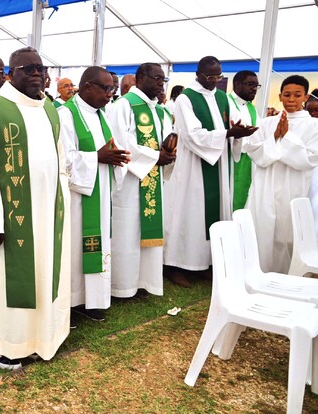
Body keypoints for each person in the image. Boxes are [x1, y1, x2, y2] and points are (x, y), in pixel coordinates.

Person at [0, 46, 70, 370]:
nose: (37, 74)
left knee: (44, 273)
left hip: (47, 212)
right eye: (28, 69)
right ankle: (1, 342)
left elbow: (60, 160)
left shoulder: (50, 109)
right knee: (3, 282)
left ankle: (41, 336)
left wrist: (62, 199)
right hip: (10, 214)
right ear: (10, 75)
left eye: (41, 68)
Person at [163, 56, 257, 287]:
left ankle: (204, 263)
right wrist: (228, 134)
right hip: (193, 166)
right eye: (210, 76)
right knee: (188, 214)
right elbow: (191, 134)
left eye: (218, 76)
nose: (214, 81)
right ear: (198, 74)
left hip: (219, 163)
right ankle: (175, 265)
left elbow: (232, 123)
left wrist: (240, 132)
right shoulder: (186, 98)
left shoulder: (222, 97)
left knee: (213, 214)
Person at [59, 66, 128, 321]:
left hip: (100, 191)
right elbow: (62, 159)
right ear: (87, 87)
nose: (110, 94)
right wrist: (96, 157)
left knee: (98, 245)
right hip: (77, 197)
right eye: (106, 88)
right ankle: (71, 301)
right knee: (75, 247)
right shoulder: (66, 115)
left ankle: (92, 299)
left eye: (113, 89)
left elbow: (109, 147)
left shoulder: (102, 114)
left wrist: (116, 156)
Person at [108, 63, 176, 300]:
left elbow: (166, 141)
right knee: (127, 232)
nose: (161, 83)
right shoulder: (124, 105)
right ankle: (123, 285)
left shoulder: (161, 111)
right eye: (156, 78)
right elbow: (119, 141)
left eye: (163, 79)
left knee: (147, 233)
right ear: (140, 78)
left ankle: (144, 282)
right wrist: (156, 157)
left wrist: (169, 152)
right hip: (129, 183)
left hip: (153, 179)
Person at [245, 75, 318, 273]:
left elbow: (310, 158)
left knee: (287, 234)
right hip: (265, 184)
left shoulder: (313, 125)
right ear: (280, 96)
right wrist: (275, 136)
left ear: (305, 97)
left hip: (293, 185)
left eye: (297, 95)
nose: (291, 99)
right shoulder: (266, 123)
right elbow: (253, 151)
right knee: (261, 228)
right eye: (287, 95)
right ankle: (257, 273)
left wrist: (287, 137)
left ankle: (286, 275)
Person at [229, 70, 260, 211]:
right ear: (237, 84)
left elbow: (259, 133)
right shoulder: (226, 102)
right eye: (250, 84)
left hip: (248, 160)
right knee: (229, 200)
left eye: (256, 85)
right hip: (230, 159)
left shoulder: (251, 107)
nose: (254, 89)